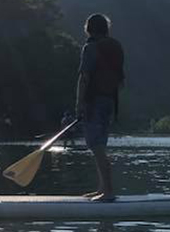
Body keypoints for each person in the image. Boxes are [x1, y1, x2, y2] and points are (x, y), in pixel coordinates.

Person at [75, 13, 124, 202]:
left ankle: (108, 192)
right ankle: (102, 189)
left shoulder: (91, 47)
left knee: (96, 146)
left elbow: (84, 77)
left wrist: (79, 103)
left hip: (94, 101)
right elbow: (120, 79)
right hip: (110, 101)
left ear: (89, 28)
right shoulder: (115, 46)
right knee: (100, 145)